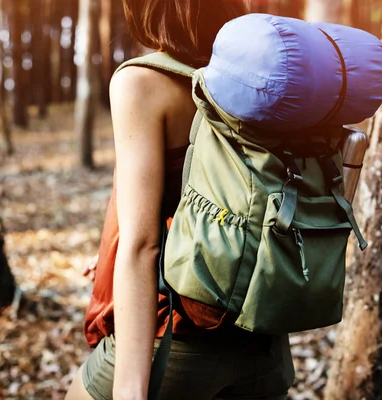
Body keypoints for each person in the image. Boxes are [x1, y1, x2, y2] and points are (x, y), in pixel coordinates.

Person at [65, 1, 295, 399]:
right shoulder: (265, 78)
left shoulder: (141, 82)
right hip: (264, 347)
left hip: (177, 340)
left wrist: (130, 392)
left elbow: (142, 244)